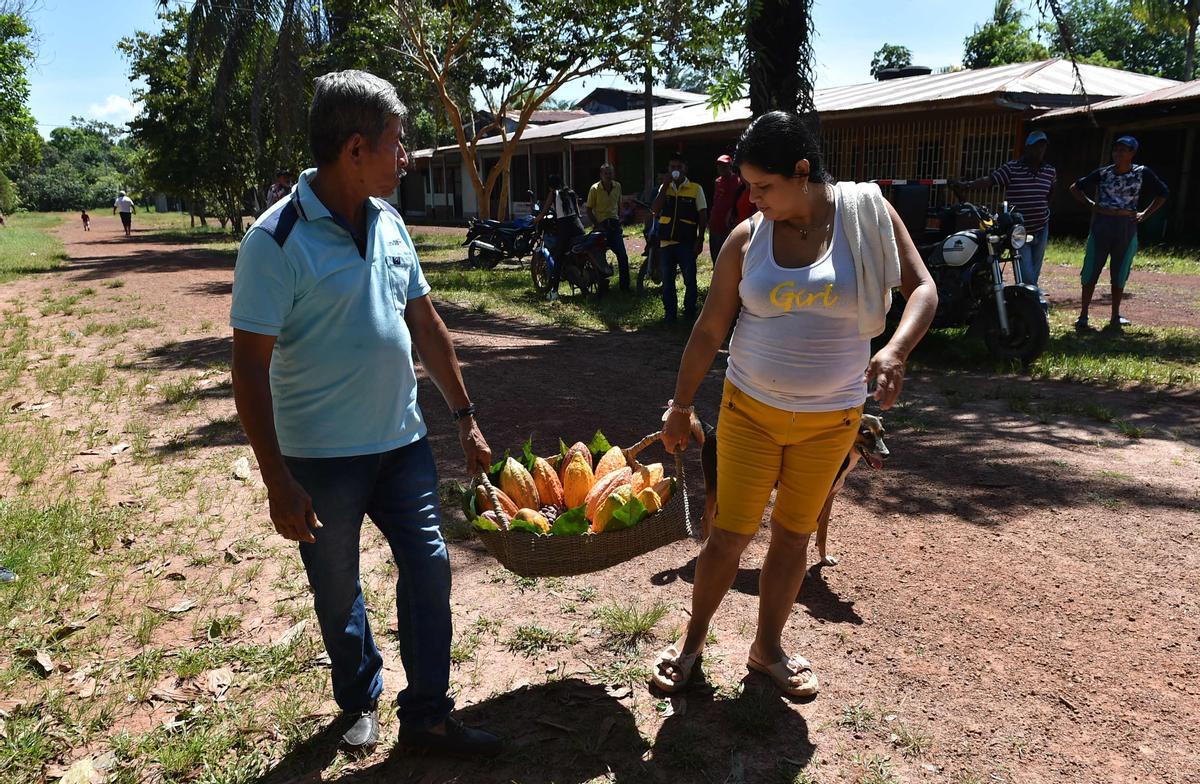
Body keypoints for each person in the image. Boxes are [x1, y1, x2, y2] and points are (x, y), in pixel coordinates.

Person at [230, 70, 501, 756]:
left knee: (431, 569)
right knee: (337, 587)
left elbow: (425, 324)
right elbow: (249, 369)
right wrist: (275, 480)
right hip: (321, 460)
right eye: (395, 141)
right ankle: (359, 697)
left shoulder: (390, 222)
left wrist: (464, 415)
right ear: (355, 149)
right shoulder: (275, 241)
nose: (404, 154)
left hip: (402, 443)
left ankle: (430, 714)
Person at [648, 111, 937, 698]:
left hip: (832, 422)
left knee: (791, 538)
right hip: (748, 412)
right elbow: (708, 331)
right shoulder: (747, 239)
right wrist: (680, 405)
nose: (751, 199)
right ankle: (692, 644)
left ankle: (766, 649)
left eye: (763, 186)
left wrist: (897, 351)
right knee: (728, 537)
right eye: (748, 187)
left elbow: (923, 288)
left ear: (802, 172)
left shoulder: (867, 216)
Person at [1069, 135, 1169, 333]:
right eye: (1116, 150)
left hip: (1126, 225)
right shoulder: (1104, 173)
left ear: (1132, 153)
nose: (1118, 153)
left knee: (1120, 271)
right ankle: (1083, 315)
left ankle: (1115, 315)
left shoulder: (1142, 173)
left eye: (1124, 150)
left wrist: (1144, 214)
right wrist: (1091, 205)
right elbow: (1075, 188)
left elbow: (1163, 193)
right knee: (1091, 269)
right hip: (1103, 224)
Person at [957, 130, 1056, 287]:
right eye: (1036, 146)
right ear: (1027, 148)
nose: (1040, 150)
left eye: (1043, 147)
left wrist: (1044, 210)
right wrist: (967, 185)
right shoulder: (1013, 168)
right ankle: (1033, 304)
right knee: (1027, 276)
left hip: (1041, 227)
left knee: (1035, 272)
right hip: (1019, 231)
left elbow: (1051, 192)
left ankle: (1029, 304)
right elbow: (990, 180)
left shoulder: (1049, 171)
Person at [651, 154, 707, 324]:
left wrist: (700, 239)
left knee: (690, 280)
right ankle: (670, 316)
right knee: (667, 282)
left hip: (687, 243)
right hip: (666, 243)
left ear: (685, 169)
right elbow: (655, 209)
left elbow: (703, 214)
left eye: (678, 167)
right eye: (672, 167)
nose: (675, 170)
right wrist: (665, 185)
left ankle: (689, 314)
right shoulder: (664, 188)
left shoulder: (696, 189)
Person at [534, 173, 585, 301]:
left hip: (565, 228)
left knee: (558, 258)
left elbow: (544, 211)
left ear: (551, 186)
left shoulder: (554, 193)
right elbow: (578, 213)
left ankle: (555, 291)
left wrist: (536, 220)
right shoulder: (571, 192)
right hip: (578, 227)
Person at [583, 163, 630, 290]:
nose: (608, 176)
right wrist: (597, 225)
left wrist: (620, 219)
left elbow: (619, 204)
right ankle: (602, 285)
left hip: (614, 224)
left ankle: (625, 287)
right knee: (599, 257)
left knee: (623, 256)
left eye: (610, 173)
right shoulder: (595, 188)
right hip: (601, 225)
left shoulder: (617, 186)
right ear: (601, 175)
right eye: (606, 173)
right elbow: (588, 209)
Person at [708, 154, 741, 264]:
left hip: (728, 226)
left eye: (725, 166)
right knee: (715, 256)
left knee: (727, 258)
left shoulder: (737, 181)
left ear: (730, 166)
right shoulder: (717, 181)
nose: (721, 168)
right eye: (719, 165)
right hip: (714, 224)